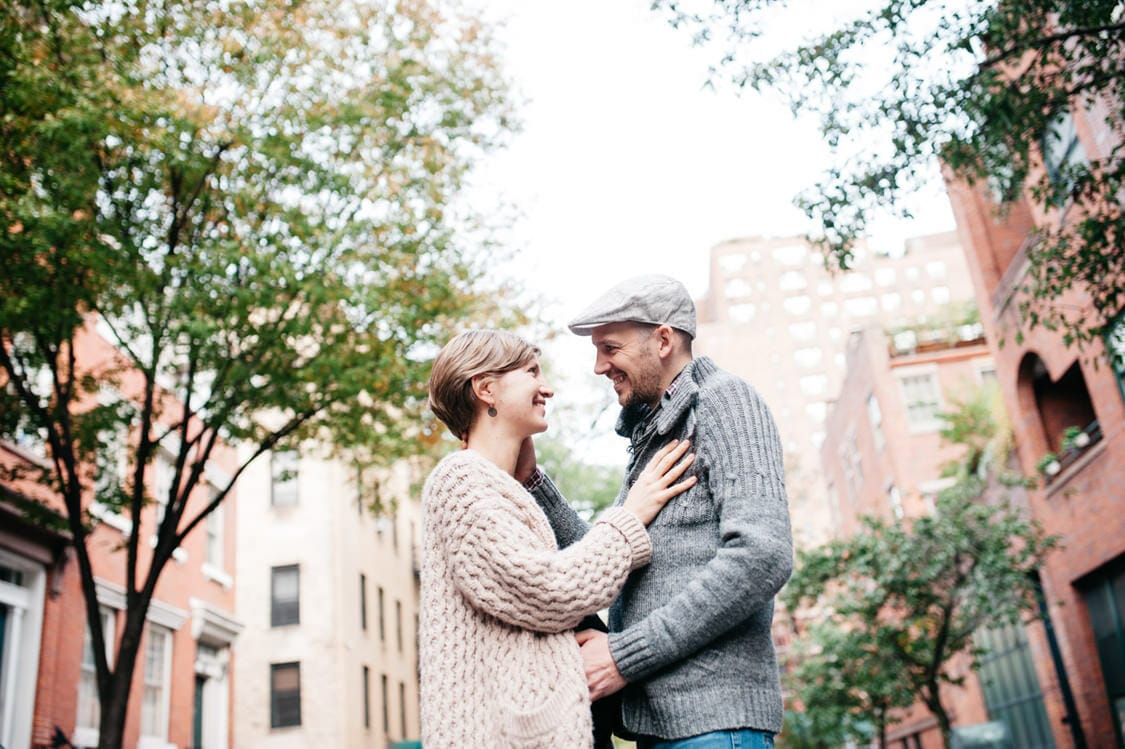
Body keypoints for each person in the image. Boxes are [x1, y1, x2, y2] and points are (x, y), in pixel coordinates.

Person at [522, 275, 793, 748]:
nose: (599, 366)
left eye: (610, 348)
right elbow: (612, 551)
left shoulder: (723, 402)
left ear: (663, 340)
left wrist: (623, 657)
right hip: (662, 728)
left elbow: (762, 555)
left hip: (713, 725)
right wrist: (535, 484)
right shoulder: (656, 434)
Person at [419, 329, 697, 748]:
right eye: (531, 372)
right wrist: (631, 516)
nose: (546, 387)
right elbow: (552, 589)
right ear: (486, 388)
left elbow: (523, 612)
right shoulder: (459, 482)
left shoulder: (497, 487)